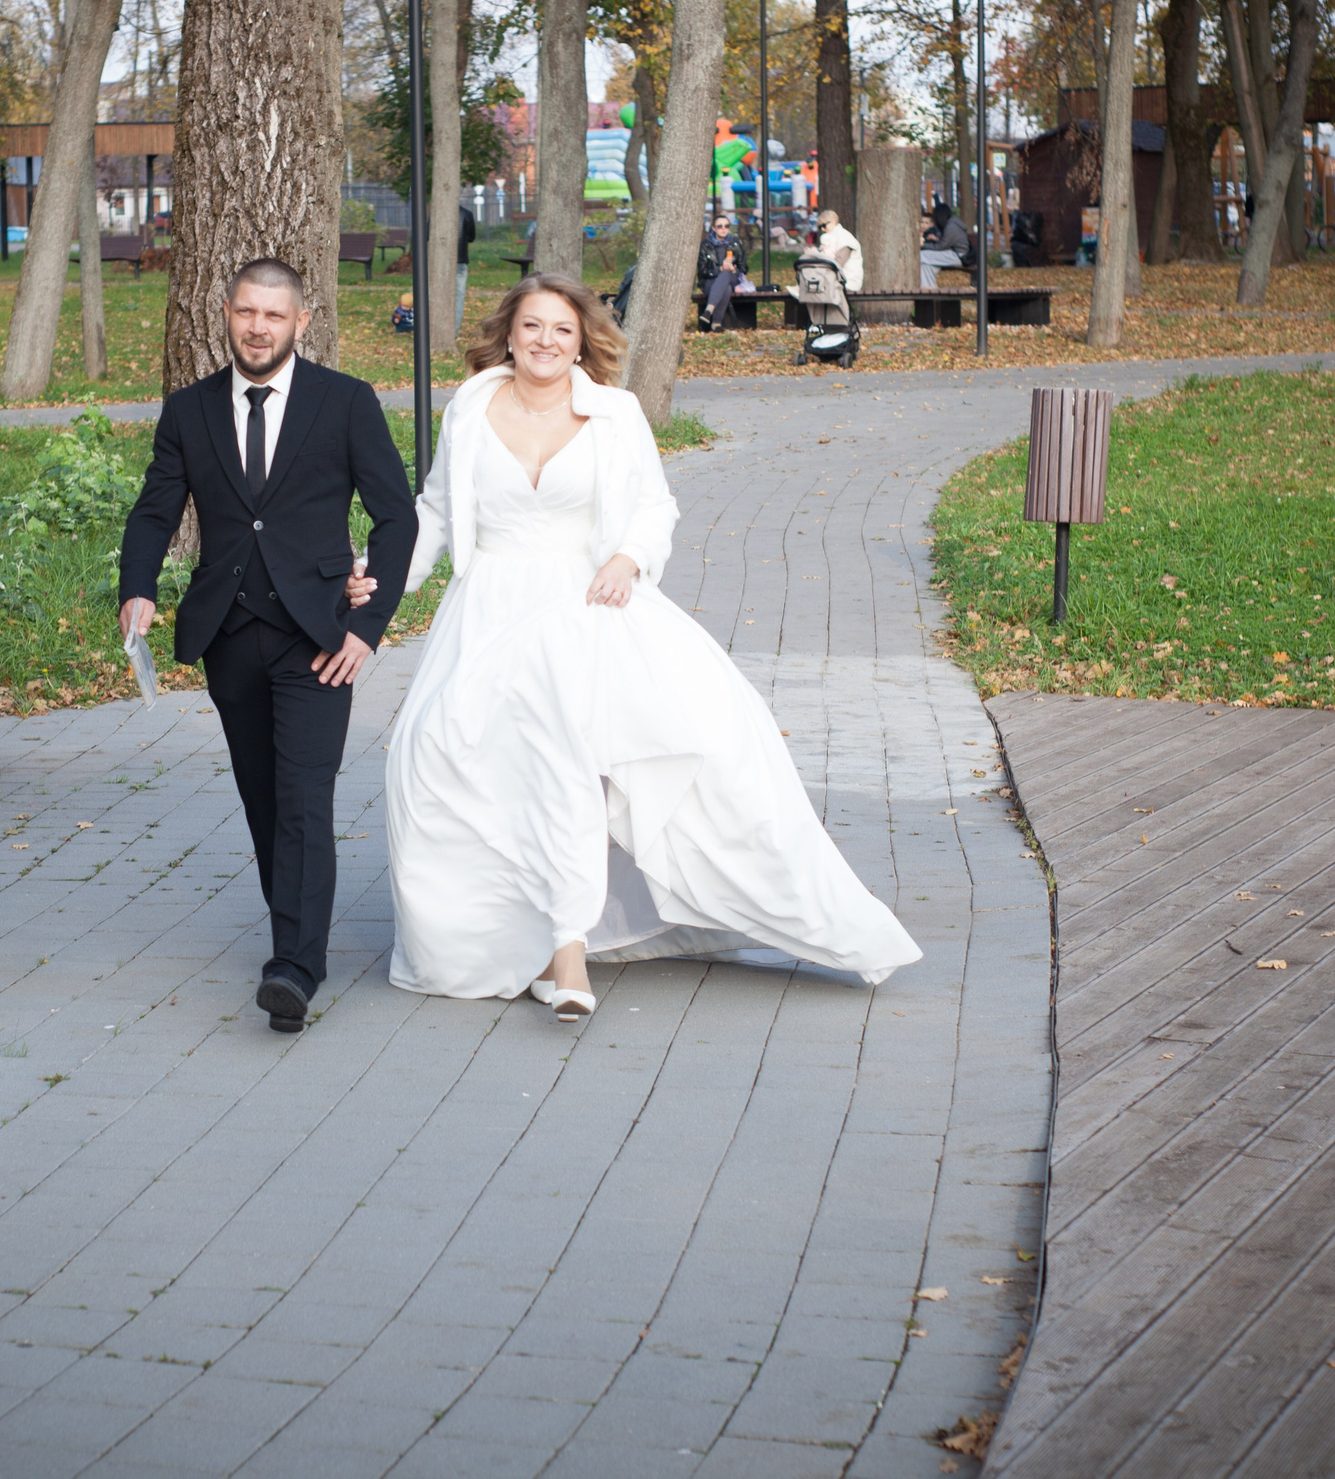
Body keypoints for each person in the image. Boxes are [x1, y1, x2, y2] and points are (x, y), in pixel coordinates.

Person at [364, 273, 923, 1021]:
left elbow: (653, 503)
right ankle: (506, 935)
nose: (545, 342)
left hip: (585, 602)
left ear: (581, 338)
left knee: (579, 759)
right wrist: (381, 582)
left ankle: (569, 948)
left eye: (561, 330)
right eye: (532, 327)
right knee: (434, 754)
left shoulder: (614, 412)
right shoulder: (470, 407)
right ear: (508, 332)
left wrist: (628, 556)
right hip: (490, 608)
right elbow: (434, 510)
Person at [117, 258, 417, 1034]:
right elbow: (156, 509)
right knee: (262, 796)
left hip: (319, 638)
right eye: (246, 312)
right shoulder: (190, 410)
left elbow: (396, 519)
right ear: (226, 312)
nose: (258, 327)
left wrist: (366, 628)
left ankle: (295, 965)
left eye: (273, 315)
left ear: (301, 321)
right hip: (229, 634)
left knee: (304, 797)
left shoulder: (344, 403)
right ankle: (296, 927)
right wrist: (137, 586)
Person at [920, 201, 970, 288]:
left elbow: (941, 246)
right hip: (954, 254)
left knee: (921, 255)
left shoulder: (951, 227)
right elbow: (947, 242)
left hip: (958, 256)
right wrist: (937, 239)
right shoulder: (952, 223)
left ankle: (930, 293)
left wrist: (923, 245)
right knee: (925, 266)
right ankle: (930, 292)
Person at [815, 208, 865, 292]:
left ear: (833, 221)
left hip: (848, 281)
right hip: (838, 280)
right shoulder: (833, 237)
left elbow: (838, 263)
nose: (822, 230)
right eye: (820, 227)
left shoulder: (844, 237)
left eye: (824, 226)